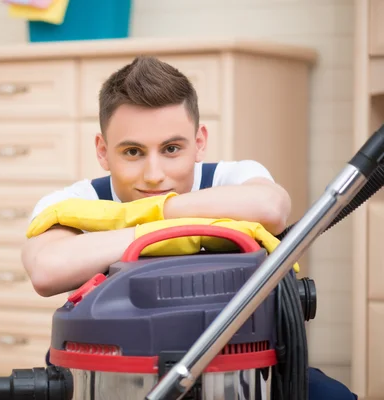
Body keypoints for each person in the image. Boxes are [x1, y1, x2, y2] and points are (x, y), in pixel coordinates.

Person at [21, 55, 357, 400]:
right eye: (133, 152)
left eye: (171, 148)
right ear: (103, 151)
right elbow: (47, 271)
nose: (154, 174)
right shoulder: (77, 198)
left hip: (235, 355)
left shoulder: (231, 177)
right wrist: (187, 224)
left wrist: (147, 213)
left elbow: (272, 208)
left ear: (199, 142)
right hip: (113, 366)